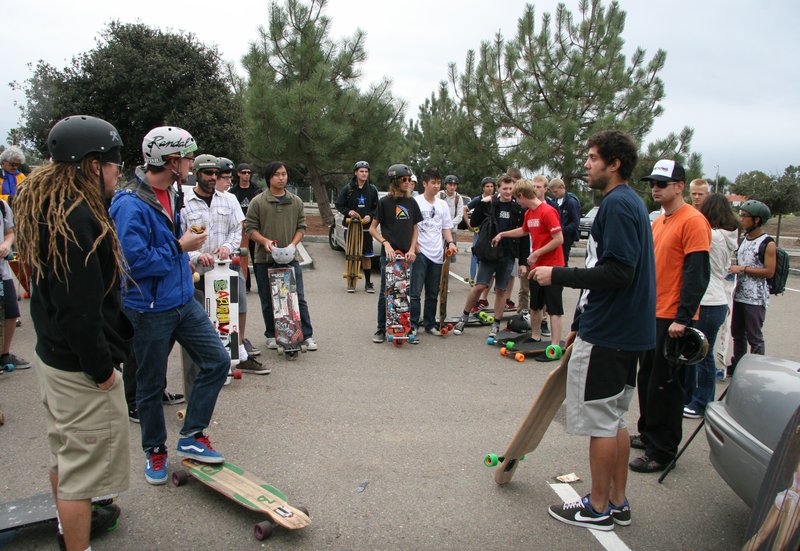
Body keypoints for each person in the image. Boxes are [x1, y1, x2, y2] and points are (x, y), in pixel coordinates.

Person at [15, 115, 132, 550]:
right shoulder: (78, 218)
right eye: (113, 161)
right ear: (89, 165)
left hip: (53, 357)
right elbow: (79, 311)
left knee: (63, 457)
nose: (119, 169)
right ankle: (76, 541)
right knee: (80, 478)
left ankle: (70, 529)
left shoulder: (51, 206)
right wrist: (102, 372)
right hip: (78, 369)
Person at [530, 129, 655, 531]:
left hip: (610, 335)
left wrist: (558, 274)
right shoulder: (630, 203)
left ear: (614, 163)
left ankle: (597, 508)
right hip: (622, 331)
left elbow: (618, 271)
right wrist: (580, 323)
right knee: (615, 420)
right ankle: (617, 502)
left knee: (601, 423)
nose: (587, 163)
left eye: (593, 157)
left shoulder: (617, 205)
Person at [111, 126, 231, 485]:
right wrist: (182, 247)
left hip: (181, 298)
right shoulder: (129, 203)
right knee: (150, 385)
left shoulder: (172, 193)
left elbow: (173, 248)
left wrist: (192, 260)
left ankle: (192, 436)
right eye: (189, 157)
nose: (193, 164)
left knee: (218, 361)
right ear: (171, 160)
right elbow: (132, 262)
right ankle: (155, 451)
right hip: (148, 309)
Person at [629, 159, 710, 474]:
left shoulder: (693, 221)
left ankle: (662, 451)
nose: (656, 188)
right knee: (648, 379)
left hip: (673, 319)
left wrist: (683, 317)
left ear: (680, 186)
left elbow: (697, 275)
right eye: (653, 183)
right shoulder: (659, 221)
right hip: (652, 314)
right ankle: (649, 434)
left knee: (665, 385)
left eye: (662, 183)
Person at [181, 154, 267, 375]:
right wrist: (197, 256)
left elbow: (236, 230)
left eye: (216, 174)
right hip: (197, 269)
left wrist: (227, 247)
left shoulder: (228, 200)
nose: (213, 177)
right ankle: (208, 359)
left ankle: (238, 351)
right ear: (197, 174)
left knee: (239, 304)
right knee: (203, 313)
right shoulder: (184, 202)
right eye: (208, 173)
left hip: (226, 265)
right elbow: (180, 236)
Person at [245, 161, 317, 351]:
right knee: (268, 299)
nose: (281, 178)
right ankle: (271, 333)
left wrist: (293, 244)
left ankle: (306, 335)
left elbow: (301, 227)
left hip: (290, 258)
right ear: (269, 178)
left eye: (284, 174)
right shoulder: (258, 202)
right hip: (264, 259)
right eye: (277, 174)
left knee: (297, 297)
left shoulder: (296, 201)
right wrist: (265, 242)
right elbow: (250, 229)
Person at [683, 193, 740, 418]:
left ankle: (702, 402)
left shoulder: (712, 236)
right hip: (717, 299)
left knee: (701, 355)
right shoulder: (729, 235)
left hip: (707, 299)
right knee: (701, 353)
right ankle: (696, 397)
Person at [493, 179, 565, 348]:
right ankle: (535, 336)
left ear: (522, 196)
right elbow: (524, 231)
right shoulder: (529, 214)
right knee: (535, 305)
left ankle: (554, 344)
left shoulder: (548, 211)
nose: (517, 202)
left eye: (516, 198)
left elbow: (559, 239)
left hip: (553, 266)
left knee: (554, 308)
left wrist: (537, 253)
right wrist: (503, 234)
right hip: (537, 267)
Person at [452, 175, 526, 337]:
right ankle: (464, 317)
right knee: (480, 286)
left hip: (507, 255)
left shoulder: (518, 208)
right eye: (504, 188)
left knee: (501, 290)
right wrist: (480, 204)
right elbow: (474, 223)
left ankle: (496, 325)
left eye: (510, 188)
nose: (508, 192)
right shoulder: (489, 204)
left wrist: (522, 261)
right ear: (498, 188)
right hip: (489, 253)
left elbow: (524, 236)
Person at [368, 164, 422, 343]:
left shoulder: (411, 202)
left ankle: (405, 327)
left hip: (407, 257)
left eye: (409, 180)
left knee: (405, 292)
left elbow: (415, 229)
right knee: (386, 292)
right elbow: (372, 229)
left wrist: (413, 248)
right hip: (389, 257)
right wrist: (386, 244)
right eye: (404, 180)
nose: (408, 183)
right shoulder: (385, 202)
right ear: (395, 182)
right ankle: (381, 329)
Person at [728, 199, 777, 375]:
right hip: (739, 294)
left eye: (744, 216)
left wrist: (742, 269)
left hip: (755, 299)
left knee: (754, 337)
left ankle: (757, 370)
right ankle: (738, 367)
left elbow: (769, 272)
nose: (741, 219)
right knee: (737, 334)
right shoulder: (744, 239)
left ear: (756, 220)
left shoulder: (768, 243)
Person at [410, 168, 458, 340]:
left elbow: (446, 227)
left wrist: (450, 242)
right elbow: (411, 227)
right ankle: (413, 324)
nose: (436, 186)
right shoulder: (415, 202)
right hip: (420, 252)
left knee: (432, 293)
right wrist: (415, 247)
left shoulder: (442, 205)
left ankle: (430, 323)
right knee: (415, 292)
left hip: (438, 254)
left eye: (438, 183)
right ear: (424, 184)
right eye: (433, 183)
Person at [335, 160, 380, 293]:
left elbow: (376, 207)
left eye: (366, 171)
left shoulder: (372, 190)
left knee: (367, 255)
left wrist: (370, 216)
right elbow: (339, 204)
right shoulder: (348, 189)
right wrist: (349, 212)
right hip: (350, 227)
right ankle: (351, 281)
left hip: (366, 229)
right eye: (361, 171)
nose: (364, 174)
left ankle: (368, 283)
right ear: (356, 172)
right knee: (352, 255)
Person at [0, 197, 28, 370]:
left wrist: (6, 244)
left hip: (3, 272)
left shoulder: (2, 206)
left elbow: (9, 232)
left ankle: (4, 355)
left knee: (10, 313)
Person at [230, 163, 261, 292]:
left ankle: (262, 285)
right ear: (238, 174)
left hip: (254, 228)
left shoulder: (256, 191)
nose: (247, 175)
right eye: (244, 172)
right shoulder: (233, 193)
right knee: (242, 257)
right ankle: (244, 285)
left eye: (249, 172)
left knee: (257, 257)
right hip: (239, 229)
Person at [548, 178, 581, 266]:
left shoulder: (571, 202)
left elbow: (576, 222)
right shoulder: (554, 201)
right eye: (553, 192)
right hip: (555, 236)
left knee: (562, 261)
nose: (554, 194)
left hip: (566, 237)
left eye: (556, 191)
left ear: (562, 187)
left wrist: (561, 230)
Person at [439, 174, 464, 258]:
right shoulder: (439, 195)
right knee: (438, 254)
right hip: (438, 230)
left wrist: (448, 225)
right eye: (450, 185)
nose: (452, 187)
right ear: (445, 185)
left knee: (449, 256)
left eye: (454, 185)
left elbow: (460, 216)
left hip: (452, 230)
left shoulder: (458, 198)